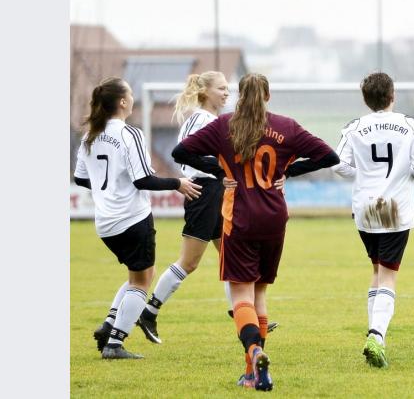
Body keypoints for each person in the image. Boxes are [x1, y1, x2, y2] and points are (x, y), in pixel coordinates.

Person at [172, 73, 338, 390]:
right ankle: (253, 373)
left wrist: (220, 169)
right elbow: (329, 156)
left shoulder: (224, 126)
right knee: (259, 292)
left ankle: (254, 351)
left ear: (239, 96)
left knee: (241, 296)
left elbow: (181, 152)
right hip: (274, 218)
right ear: (268, 96)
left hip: (240, 218)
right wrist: (288, 170)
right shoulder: (286, 126)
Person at [137, 72, 281, 345]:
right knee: (189, 262)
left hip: (213, 192)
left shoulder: (203, 118)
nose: (227, 93)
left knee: (232, 259)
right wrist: (217, 171)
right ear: (206, 92)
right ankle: (149, 311)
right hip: (205, 193)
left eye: (228, 88)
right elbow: (188, 153)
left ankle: (243, 314)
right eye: (221, 89)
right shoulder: (204, 119)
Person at [73, 77, 202, 359]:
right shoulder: (129, 134)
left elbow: (81, 178)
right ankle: (115, 344)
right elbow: (143, 179)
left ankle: (110, 324)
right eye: (130, 94)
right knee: (141, 283)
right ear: (122, 102)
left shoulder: (89, 135)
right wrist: (177, 183)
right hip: (131, 218)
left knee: (140, 274)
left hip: (105, 222)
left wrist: (108, 192)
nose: (133, 98)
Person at [331, 72, 414, 368]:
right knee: (388, 274)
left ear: (366, 99)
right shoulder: (408, 125)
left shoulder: (354, 127)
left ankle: (376, 334)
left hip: (365, 206)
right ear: (392, 95)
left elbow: (339, 164)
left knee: (376, 270)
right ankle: (376, 334)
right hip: (395, 207)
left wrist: (363, 175)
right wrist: (401, 174)